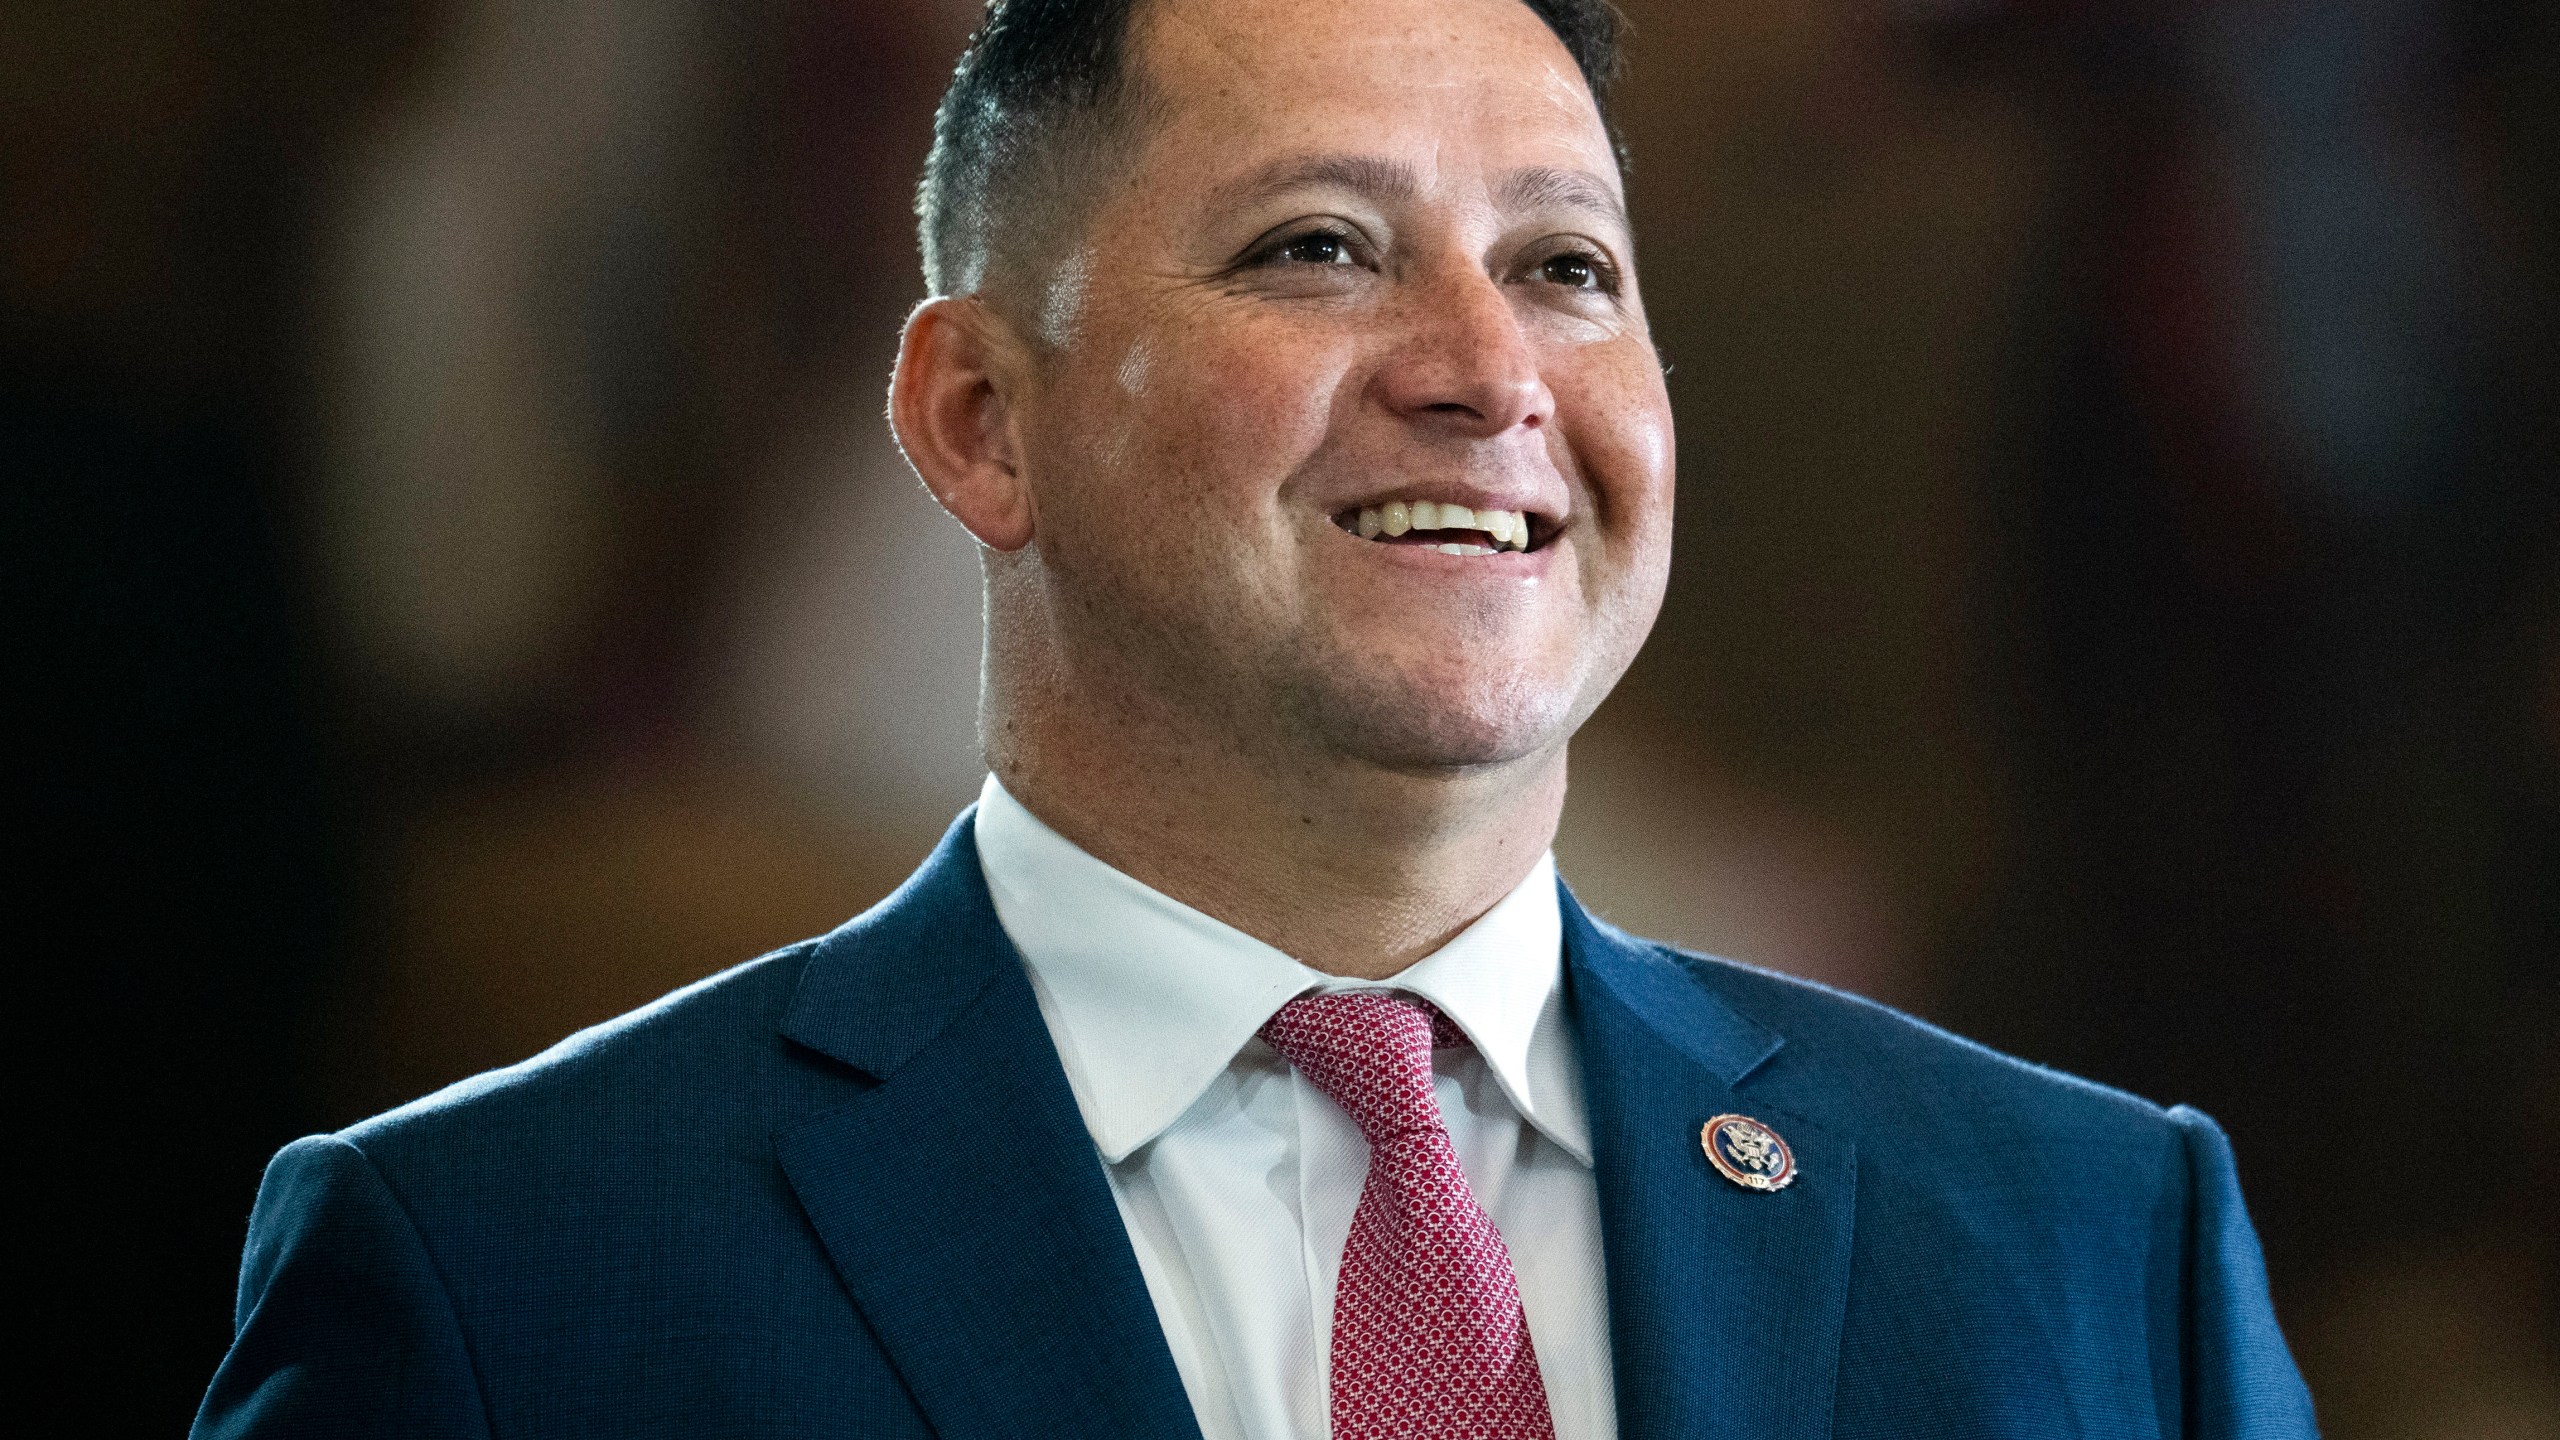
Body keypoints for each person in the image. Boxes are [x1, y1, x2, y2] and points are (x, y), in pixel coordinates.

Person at [193, 0, 2319, 1435]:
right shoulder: (501, 1279)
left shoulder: (2094, 1243)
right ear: (976, 417)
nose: (1485, 369)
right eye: (1316, 247)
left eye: (1566, 267)